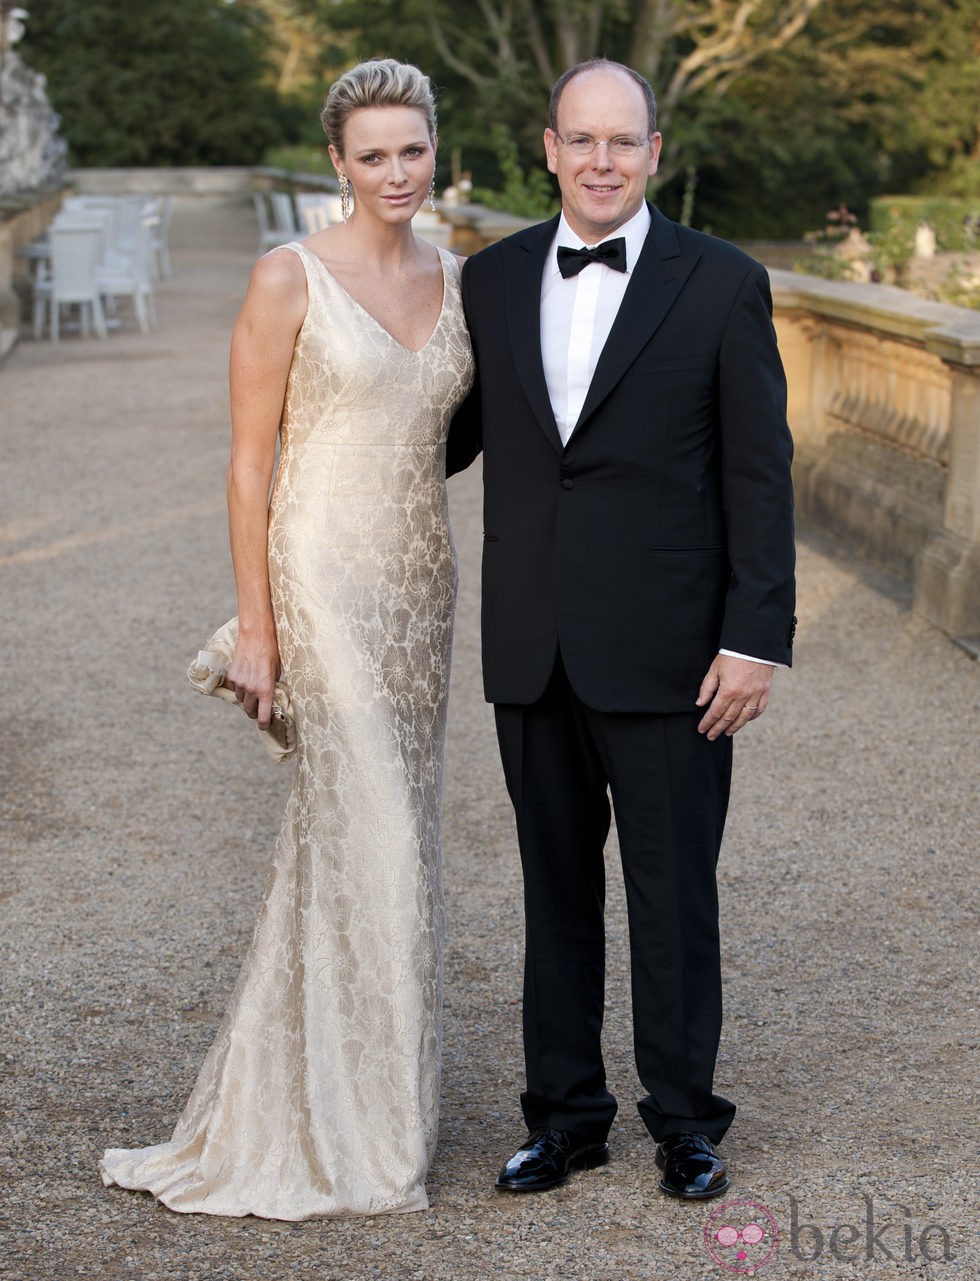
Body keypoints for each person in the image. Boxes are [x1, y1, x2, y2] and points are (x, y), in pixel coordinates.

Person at [100, 58, 473, 1219]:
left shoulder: (462, 277)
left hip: (423, 588)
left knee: (386, 840)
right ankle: (359, 1135)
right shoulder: (285, 277)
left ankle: (354, 1096)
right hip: (322, 579)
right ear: (338, 164)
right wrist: (257, 628)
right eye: (373, 155)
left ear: (431, 152)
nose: (396, 172)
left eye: (412, 150)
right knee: (369, 829)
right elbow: (248, 462)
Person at [446, 58, 795, 1200]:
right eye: (580, 140)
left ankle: (685, 1122)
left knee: (671, 894)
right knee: (554, 894)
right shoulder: (486, 280)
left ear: (653, 152)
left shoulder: (722, 281)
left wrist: (752, 638)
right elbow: (430, 433)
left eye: (623, 142)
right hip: (530, 641)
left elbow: (758, 473)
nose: (601, 161)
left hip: (670, 651)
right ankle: (562, 1117)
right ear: (547, 148)